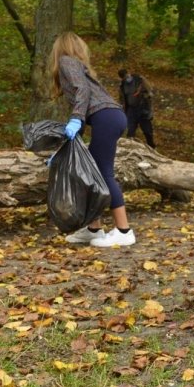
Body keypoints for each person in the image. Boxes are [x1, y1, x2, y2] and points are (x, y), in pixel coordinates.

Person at [49, 32, 136, 247]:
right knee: (91, 172)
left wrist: (76, 119)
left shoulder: (66, 61)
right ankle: (94, 229)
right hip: (110, 117)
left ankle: (124, 232)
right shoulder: (78, 66)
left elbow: (82, 91)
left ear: (61, 48)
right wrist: (64, 149)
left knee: (102, 172)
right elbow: (84, 101)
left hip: (106, 117)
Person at [118, 68, 156, 148]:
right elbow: (122, 98)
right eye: (124, 77)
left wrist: (149, 110)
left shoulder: (139, 80)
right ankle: (130, 148)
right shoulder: (122, 85)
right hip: (131, 110)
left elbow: (150, 92)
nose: (127, 78)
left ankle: (152, 147)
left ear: (129, 73)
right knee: (130, 132)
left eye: (127, 76)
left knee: (147, 131)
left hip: (142, 109)